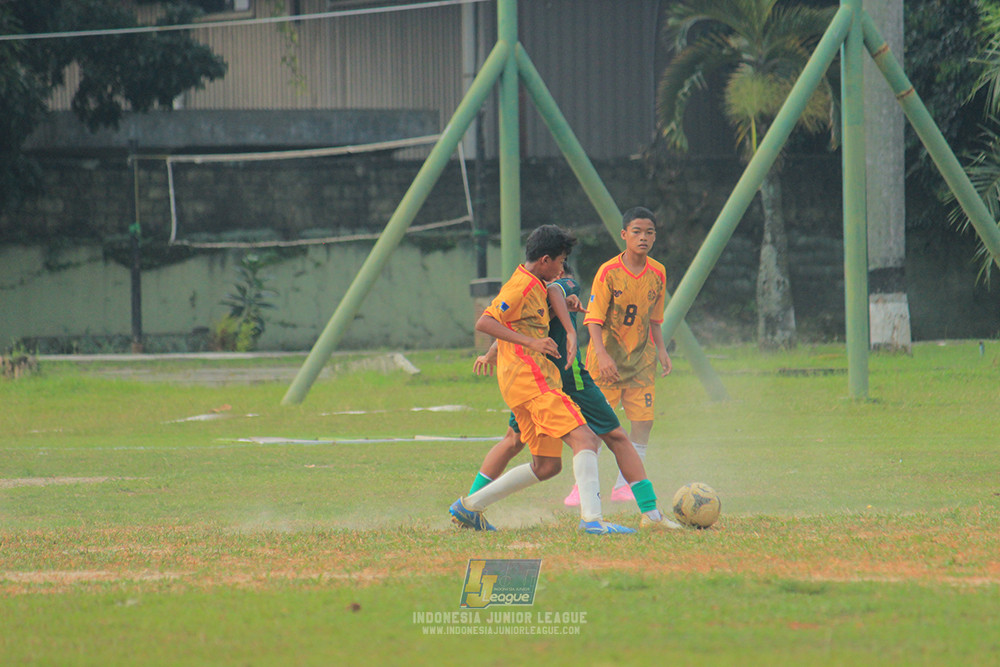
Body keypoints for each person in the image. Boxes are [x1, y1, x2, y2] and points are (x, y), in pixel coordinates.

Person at [449, 225, 636, 535]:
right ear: (546, 259)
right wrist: (533, 343)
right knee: (586, 438)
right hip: (532, 383)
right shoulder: (521, 286)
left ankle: (468, 508)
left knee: (548, 466)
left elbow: (524, 318)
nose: (563, 268)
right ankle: (593, 521)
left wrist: (567, 309)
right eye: (560, 261)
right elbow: (486, 321)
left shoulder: (536, 284)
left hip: (524, 385)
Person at [465, 263, 680, 530]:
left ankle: (468, 505)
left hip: (537, 382)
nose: (558, 275)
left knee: (526, 450)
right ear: (553, 264)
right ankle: (642, 515)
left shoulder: (544, 289)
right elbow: (544, 300)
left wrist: (491, 353)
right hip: (564, 380)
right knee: (613, 436)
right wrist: (565, 320)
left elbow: (520, 324)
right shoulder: (559, 284)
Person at [584, 206, 673, 503]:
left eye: (649, 232)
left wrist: (661, 350)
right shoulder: (608, 272)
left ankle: (624, 485)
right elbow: (594, 319)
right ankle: (584, 484)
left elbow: (654, 319)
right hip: (605, 363)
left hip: (641, 362)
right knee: (597, 426)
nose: (643, 237)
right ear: (624, 235)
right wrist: (602, 356)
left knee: (643, 423)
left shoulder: (658, 271)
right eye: (636, 232)